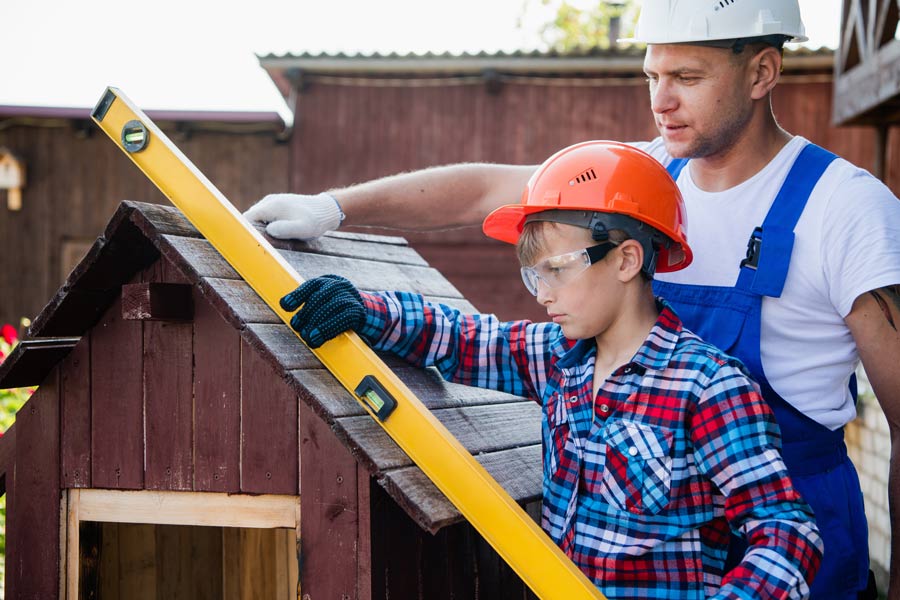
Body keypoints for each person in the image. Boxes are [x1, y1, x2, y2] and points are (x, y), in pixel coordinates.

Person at [244, 1, 900, 597]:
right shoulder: (636, 184)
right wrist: (334, 207)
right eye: (652, 76)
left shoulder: (845, 211)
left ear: (762, 72)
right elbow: (480, 200)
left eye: (688, 78)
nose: (661, 102)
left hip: (799, 570)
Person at [278, 140, 823, 599]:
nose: (543, 295)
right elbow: (466, 337)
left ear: (627, 260)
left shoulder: (709, 388)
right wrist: (365, 310)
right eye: (533, 277)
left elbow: (787, 532)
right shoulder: (556, 360)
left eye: (557, 270)